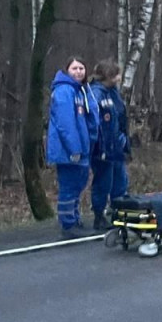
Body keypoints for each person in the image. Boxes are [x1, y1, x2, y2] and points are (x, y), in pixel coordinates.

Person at [48, 56, 100, 237]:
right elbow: (65, 124)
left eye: (81, 68)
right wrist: (74, 148)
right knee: (69, 186)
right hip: (68, 149)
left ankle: (75, 218)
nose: (79, 72)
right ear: (67, 71)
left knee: (78, 184)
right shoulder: (64, 91)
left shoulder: (81, 91)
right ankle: (67, 224)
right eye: (74, 68)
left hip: (82, 147)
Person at [89, 60, 130, 231]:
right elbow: (97, 124)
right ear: (109, 76)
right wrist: (101, 146)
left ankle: (118, 211)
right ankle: (99, 215)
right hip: (103, 147)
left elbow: (119, 117)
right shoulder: (96, 94)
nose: (120, 77)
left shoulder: (113, 93)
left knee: (120, 180)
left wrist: (123, 140)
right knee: (103, 181)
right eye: (117, 74)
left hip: (116, 145)